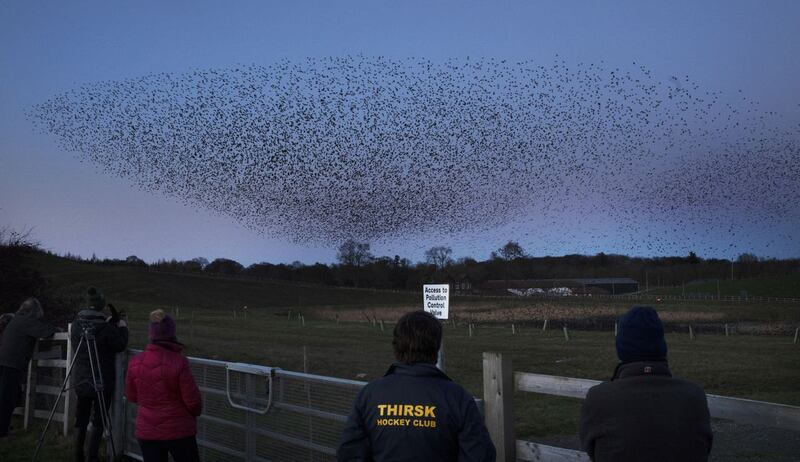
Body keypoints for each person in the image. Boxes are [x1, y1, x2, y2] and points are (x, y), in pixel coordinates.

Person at [337, 310, 496, 462]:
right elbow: (480, 455)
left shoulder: (369, 395)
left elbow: (349, 453)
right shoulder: (458, 398)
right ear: (436, 347)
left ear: (396, 346)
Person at [579, 306, 713, 462]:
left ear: (621, 347)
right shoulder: (694, 396)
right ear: (661, 345)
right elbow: (705, 446)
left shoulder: (599, 398)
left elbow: (590, 448)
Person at [126, 309, 202, 462]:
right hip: (179, 431)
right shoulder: (179, 362)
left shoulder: (135, 362)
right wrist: (191, 414)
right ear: (172, 334)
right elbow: (193, 402)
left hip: (147, 432)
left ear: (151, 335)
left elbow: (131, 395)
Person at [71, 286, 129, 461]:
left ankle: (77, 456)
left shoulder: (75, 324)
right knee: (98, 418)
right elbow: (119, 345)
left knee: (81, 416)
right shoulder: (105, 328)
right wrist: (122, 327)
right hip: (101, 379)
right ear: (101, 306)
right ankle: (92, 456)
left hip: (81, 379)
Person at [0, 298, 58, 438]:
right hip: (11, 364)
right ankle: (2, 432)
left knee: (6, 397)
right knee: (7, 399)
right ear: (34, 311)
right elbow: (45, 332)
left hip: (5, 362)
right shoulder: (26, 321)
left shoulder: (16, 320)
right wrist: (56, 329)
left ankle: (3, 427)